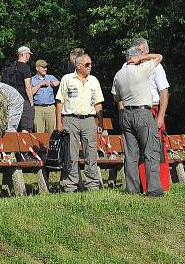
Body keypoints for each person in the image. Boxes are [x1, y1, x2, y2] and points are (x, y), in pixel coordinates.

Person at [112, 47, 164, 196]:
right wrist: (142, 59)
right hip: (143, 113)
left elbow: (116, 97)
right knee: (151, 151)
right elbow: (159, 56)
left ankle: (132, 189)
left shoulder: (119, 74)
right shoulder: (141, 69)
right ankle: (154, 189)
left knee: (130, 155)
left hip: (127, 114)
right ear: (135, 58)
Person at [55, 53, 105, 192]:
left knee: (91, 152)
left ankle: (93, 185)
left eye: (91, 64)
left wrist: (100, 123)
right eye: (87, 64)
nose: (90, 67)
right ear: (78, 66)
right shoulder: (67, 79)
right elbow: (60, 102)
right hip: (70, 119)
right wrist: (59, 123)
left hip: (89, 119)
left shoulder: (94, 80)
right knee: (71, 154)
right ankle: (70, 185)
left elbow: (98, 102)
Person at [133, 38, 170, 133]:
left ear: (147, 51)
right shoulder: (132, 68)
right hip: (136, 111)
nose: (139, 55)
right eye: (136, 52)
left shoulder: (157, 67)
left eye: (141, 52)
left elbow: (164, 92)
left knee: (156, 145)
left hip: (153, 109)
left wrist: (160, 117)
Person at [4, 46, 35, 131]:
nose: (29, 57)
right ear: (25, 54)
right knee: (26, 128)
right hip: (24, 100)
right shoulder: (25, 67)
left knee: (13, 127)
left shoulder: (11, 67)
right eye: (29, 54)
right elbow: (28, 87)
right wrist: (31, 102)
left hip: (12, 101)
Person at [30, 59, 60, 133]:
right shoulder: (32, 79)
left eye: (46, 67)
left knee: (52, 132)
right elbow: (30, 92)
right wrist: (40, 84)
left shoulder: (51, 77)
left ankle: (51, 145)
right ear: (37, 68)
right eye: (43, 67)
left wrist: (58, 83)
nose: (45, 69)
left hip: (50, 108)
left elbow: (59, 83)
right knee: (39, 131)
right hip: (38, 108)